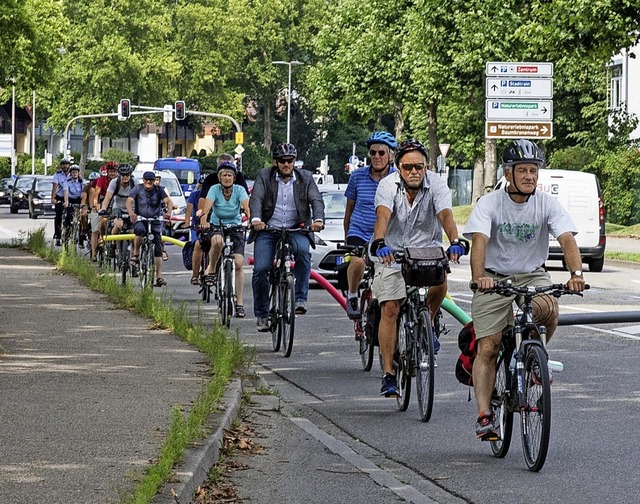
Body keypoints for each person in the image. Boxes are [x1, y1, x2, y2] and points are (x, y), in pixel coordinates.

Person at [463, 138, 586, 440]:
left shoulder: (546, 204)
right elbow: (479, 242)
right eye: (524, 170)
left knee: (548, 307)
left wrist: (576, 273)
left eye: (534, 170)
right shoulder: (489, 203)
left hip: (532, 274)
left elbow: (567, 238)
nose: (530, 176)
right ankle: (484, 416)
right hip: (494, 276)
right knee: (489, 345)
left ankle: (534, 359)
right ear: (508, 174)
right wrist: (480, 277)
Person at [370, 139, 467, 397]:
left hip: (427, 249)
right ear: (398, 167)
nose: (414, 171)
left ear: (426, 166)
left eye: (419, 166)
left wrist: (455, 241)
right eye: (408, 167)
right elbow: (383, 214)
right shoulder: (387, 185)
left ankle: (429, 322)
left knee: (440, 279)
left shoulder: (436, 183)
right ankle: (389, 374)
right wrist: (380, 243)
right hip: (392, 252)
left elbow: (446, 214)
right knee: (390, 307)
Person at [249, 143, 325, 331]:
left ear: (294, 162)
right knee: (261, 268)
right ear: (276, 162)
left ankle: (300, 299)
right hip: (268, 229)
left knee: (303, 253)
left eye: (290, 161)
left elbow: (316, 199)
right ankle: (262, 314)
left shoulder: (305, 178)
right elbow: (256, 198)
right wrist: (256, 219)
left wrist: (318, 220)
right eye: (282, 161)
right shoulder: (264, 176)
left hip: (295, 228)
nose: (286, 164)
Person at [343, 131, 397, 320]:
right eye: (372, 153)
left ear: (390, 155)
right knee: (357, 261)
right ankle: (352, 295)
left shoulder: (398, 179)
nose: (376, 157)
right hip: (359, 229)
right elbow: (349, 209)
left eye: (381, 153)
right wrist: (347, 237)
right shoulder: (357, 177)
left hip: (384, 233)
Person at [199, 162, 250, 318]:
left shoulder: (239, 190)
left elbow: (247, 207)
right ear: (219, 177)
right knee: (217, 241)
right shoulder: (214, 189)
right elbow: (206, 209)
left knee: (239, 264)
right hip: (217, 224)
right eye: (224, 175)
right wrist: (204, 220)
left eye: (230, 175)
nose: (227, 178)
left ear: (234, 178)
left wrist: (251, 218)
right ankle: (212, 269)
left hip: (235, 226)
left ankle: (239, 303)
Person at [126, 171, 173, 287]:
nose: (148, 182)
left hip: (155, 220)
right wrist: (131, 213)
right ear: (143, 180)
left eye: (151, 180)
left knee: (158, 248)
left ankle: (159, 277)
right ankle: (136, 254)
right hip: (141, 219)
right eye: (146, 179)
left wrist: (168, 212)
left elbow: (168, 202)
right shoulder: (137, 189)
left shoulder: (159, 190)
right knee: (140, 231)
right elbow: (129, 201)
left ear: (154, 181)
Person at [184, 175, 206, 285]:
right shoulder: (194, 195)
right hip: (196, 226)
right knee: (198, 244)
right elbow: (189, 210)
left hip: (210, 225)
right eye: (201, 185)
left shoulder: (213, 194)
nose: (202, 188)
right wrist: (187, 222)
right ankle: (195, 275)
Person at [62, 164, 85, 243]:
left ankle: (81, 238)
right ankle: (66, 232)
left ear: (78, 173)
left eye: (76, 172)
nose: (75, 174)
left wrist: (83, 204)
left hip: (79, 201)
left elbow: (84, 193)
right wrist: (66, 202)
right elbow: (66, 192)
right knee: (68, 216)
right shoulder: (67, 182)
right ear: (70, 174)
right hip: (70, 200)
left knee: (82, 218)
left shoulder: (82, 182)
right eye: (73, 172)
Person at [51, 158, 71, 245]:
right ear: (61, 166)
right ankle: (58, 235)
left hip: (70, 198)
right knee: (58, 216)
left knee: (70, 216)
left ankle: (69, 234)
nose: (65, 166)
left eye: (66, 164)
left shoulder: (73, 173)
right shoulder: (57, 175)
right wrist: (53, 198)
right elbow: (54, 187)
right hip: (59, 197)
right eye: (63, 164)